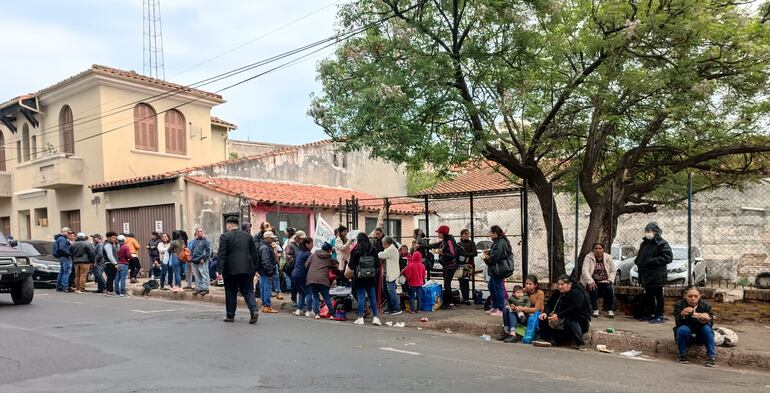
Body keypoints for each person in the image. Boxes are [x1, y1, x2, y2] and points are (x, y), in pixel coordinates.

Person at [217, 216, 259, 324]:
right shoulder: (248, 236)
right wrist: (255, 267)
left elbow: (222, 254)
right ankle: (254, 311)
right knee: (248, 291)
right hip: (247, 269)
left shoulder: (225, 236)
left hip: (230, 270)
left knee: (231, 292)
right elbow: (254, 253)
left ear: (229, 225)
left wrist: (219, 270)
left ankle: (230, 316)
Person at [533, 275, 591, 350]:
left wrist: (559, 315)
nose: (560, 287)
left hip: (578, 321)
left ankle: (580, 343)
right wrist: (545, 313)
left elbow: (576, 308)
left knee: (570, 319)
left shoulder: (576, 293)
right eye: (559, 284)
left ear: (569, 284)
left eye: (562, 284)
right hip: (559, 320)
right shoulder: (558, 293)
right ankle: (544, 339)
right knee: (542, 317)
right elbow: (549, 304)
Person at [634, 222, 673, 324]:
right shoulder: (644, 243)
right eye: (646, 231)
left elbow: (668, 257)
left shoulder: (662, 243)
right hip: (646, 274)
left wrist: (651, 261)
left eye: (650, 231)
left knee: (658, 295)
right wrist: (638, 262)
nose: (648, 233)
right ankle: (650, 314)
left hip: (657, 274)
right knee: (649, 294)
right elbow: (640, 255)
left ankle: (659, 315)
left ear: (655, 232)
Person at [674, 286, 716, 367]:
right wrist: (682, 314)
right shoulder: (679, 304)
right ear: (685, 296)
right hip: (686, 336)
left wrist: (705, 319)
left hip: (700, 336)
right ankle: (682, 355)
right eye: (690, 296)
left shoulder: (706, 306)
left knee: (707, 329)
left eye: (695, 296)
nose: (693, 299)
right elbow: (678, 323)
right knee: (683, 329)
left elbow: (711, 322)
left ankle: (711, 357)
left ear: (699, 296)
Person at [348, 232, 382, 326]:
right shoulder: (373, 249)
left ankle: (360, 318)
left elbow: (351, 265)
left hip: (360, 277)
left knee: (361, 297)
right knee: (372, 297)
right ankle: (376, 317)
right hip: (371, 277)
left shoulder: (356, 250)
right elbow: (377, 264)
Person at [483, 225, 513, 317]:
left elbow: (496, 257)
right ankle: (495, 307)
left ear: (495, 233)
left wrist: (486, 258)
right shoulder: (498, 241)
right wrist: (490, 252)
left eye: (490, 233)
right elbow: (496, 253)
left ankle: (500, 309)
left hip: (499, 269)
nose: (489, 235)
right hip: (497, 269)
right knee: (491, 285)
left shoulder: (500, 242)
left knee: (498, 287)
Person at [581, 242, 616, 318]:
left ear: (603, 249)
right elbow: (585, 271)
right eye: (596, 248)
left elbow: (613, 271)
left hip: (605, 281)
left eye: (600, 248)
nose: (598, 250)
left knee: (609, 288)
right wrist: (591, 282)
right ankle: (595, 309)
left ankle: (610, 310)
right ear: (593, 250)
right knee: (593, 288)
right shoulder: (588, 257)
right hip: (593, 281)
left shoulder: (608, 257)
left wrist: (609, 280)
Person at [305, 241, 338, 319]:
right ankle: (332, 314)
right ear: (329, 250)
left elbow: (306, 265)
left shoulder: (313, 254)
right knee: (326, 297)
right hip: (322, 279)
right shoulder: (329, 258)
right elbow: (335, 268)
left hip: (311, 278)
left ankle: (317, 314)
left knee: (315, 296)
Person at [430, 225, 459, 310]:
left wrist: (442, 254)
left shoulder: (449, 241)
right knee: (446, 283)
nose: (437, 234)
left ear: (443, 233)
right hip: (447, 266)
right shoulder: (444, 241)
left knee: (447, 283)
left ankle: (450, 303)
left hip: (450, 266)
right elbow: (436, 244)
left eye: (439, 233)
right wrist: (424, 245)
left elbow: (452, 255)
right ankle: (448, 302)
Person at [378, 236, 402, 315]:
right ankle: (390, 307)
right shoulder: (388, 249)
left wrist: (378, 253)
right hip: (386, 273)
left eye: (383, 243)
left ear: (387, 243)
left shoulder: (392, 249)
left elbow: (381, 255)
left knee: (391, 291)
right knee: (385, 290)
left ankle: (396, 308)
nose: (382, 244)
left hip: (391, 273)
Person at [258, 231, 279, 313]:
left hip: (263, 271)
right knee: (267, 288)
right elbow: (266, 261)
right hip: (266, 271)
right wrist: (270, 271)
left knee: (264, 288)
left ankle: (264, 305)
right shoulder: (265, 248)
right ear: (267, 238)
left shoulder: (264, 246)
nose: (273, 239)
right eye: (271, 238)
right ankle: (267, 306)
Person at [291, 237, 313, 316]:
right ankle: (309, 310)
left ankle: (299, 310)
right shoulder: (308, 254)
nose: (312, 245)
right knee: (308, 292)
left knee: (301, 293)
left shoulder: (299, 252)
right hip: (302, 275)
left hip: (294, 274)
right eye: (311, 244)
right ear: (307, 244)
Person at [457, 229, 477, 305]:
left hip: (468, 265)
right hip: (460, 265)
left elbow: (475, 253)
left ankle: (466, 299)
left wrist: (465, 254)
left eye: (467, 234)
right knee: (461, 281)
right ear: (461, 235)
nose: (466, 235)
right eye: (465, 234)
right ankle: (464, 298)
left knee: (465, 281)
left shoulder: (471, 243)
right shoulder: (458, 243)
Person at [190, 227, 212, 296]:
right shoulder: (194, 241)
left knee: (204, 275)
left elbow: (209, 251)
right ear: (196, 233)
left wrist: (204, 259)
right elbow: (192, 250)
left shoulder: (206, 241)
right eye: (198, 231)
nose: (199, 232)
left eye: (201, 231)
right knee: (197, 276)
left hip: (202, 261)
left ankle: (205, 289)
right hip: (194, 261)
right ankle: (199, 288)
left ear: (203, 232)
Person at [54, 227, 74, 292]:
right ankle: (65, 287)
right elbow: (62, 248)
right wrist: (69, 254)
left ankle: (59, 286)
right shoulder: (63, 239)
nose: (69, 234)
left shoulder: (59, 238)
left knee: (62, 272)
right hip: (65, 257)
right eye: (68, 232)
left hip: (62, 257)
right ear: (64, 232)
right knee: (66, 272)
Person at [103, 232, 119, 296]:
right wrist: (115, 263)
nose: (114, 239)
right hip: (109, 263)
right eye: (113, 237)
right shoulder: (107, 245)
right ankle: (110, 291)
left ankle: (108, 290)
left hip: (109, 263)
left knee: (110, 277)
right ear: (109, 237)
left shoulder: (112, 244)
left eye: (115, 237)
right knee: (111, 277)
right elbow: (110, 255)